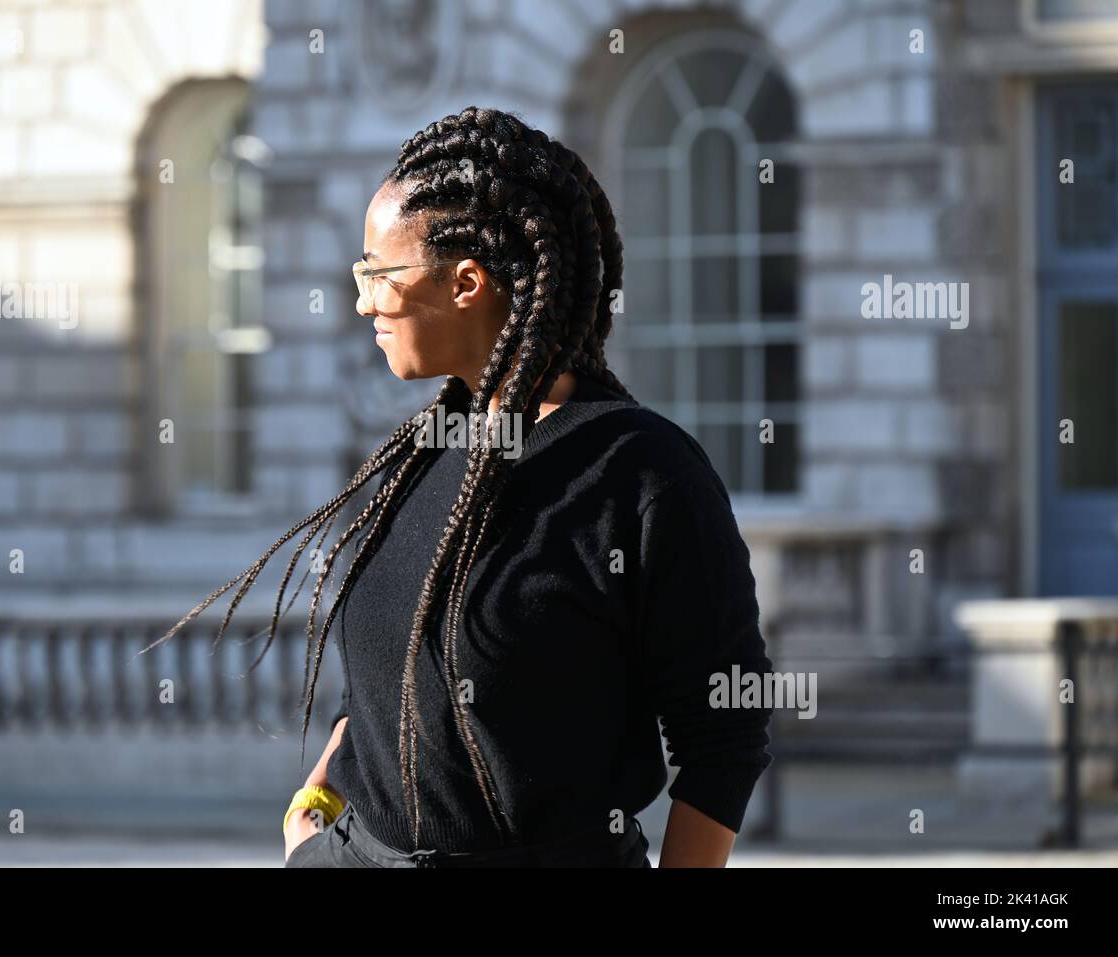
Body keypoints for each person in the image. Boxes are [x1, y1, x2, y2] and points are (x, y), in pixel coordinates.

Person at [155, 106, 774, 868]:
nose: (361, 301)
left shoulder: (645, 474)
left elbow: (726, 740)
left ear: (466, 282)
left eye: (377, 273)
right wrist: (310, 819)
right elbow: (382, 682)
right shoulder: (426, 450)